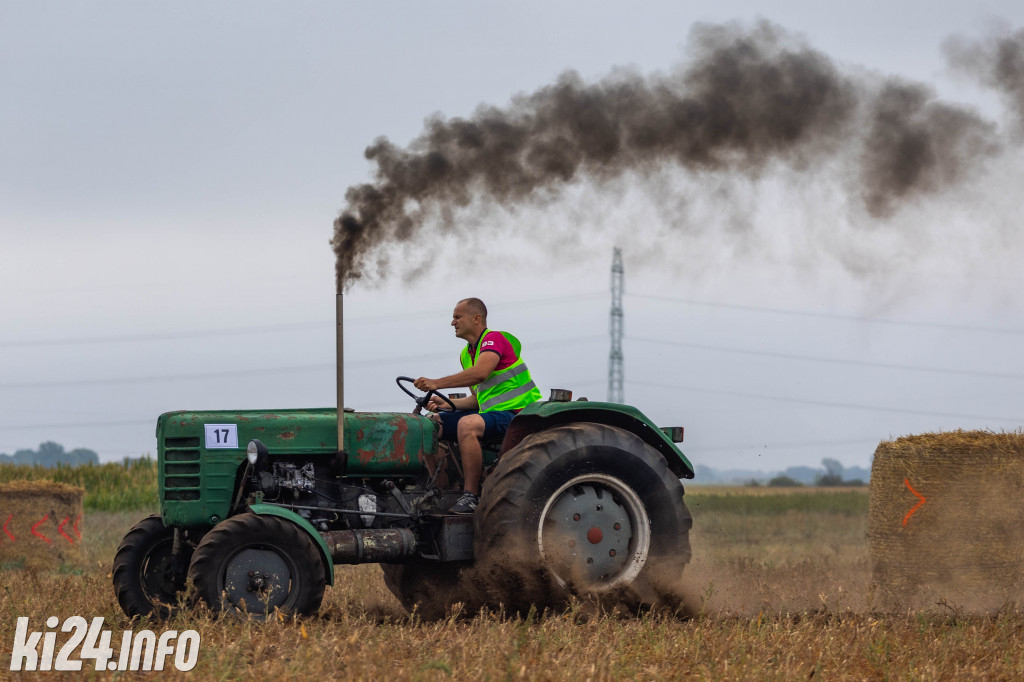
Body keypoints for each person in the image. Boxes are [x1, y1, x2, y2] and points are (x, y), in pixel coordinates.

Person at [414, 297, 542, 514]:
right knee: (428, 426)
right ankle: (442, 491)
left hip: (518, 415)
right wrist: (446, 403)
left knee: (467, 424)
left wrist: (436, 383)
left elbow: (480, 373)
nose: (452, 323)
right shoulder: (466, 354)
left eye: (457, 317)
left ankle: (470, 496)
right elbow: (477, 399)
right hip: (491, 414)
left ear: (476, 318)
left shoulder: (495, 339)